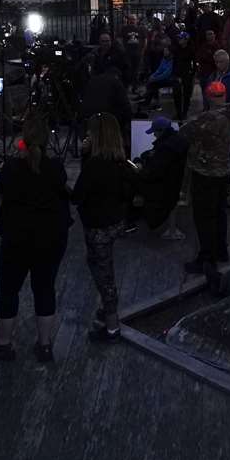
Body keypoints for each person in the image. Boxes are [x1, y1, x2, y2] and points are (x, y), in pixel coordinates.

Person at [0, 115, 71, 363]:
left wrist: (16, 155)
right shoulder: (56, 167)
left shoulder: (11, 167)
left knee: (8, 290)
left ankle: (4, 344)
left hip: (17, 238)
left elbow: (2, 189)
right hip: (50, 238)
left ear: (23, 139)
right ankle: (44, 346)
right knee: (45, 289)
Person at [72, 113, 139, 342]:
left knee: (103, 273)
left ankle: (112, 327)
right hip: (115, 221)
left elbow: (77, 195)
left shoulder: (94, 166)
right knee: (103, 268)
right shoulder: (121, 162)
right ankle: (107, 309)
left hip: (98, 226)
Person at [179, 83, 230, 277]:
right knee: (219, 214)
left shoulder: (208, 119)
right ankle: (221, 251)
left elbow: (185, 132)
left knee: (204, 217)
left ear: (209, 97)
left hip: (205, 172)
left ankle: (206, 258)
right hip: (223, 171)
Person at [137, 116, 188, 239]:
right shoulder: (175, 140)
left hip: (166, 186)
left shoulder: (166, 148)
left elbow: (153, 173)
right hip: (174, 181)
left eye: (154, 132)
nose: (154, 135)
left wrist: (139, 170)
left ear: (161, 131)